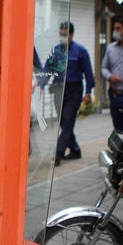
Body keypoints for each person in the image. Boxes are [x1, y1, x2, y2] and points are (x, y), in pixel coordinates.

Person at [40, 21, 94, 166]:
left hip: (74, 90)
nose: (62, 36)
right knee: (64, 123)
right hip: (58, 90)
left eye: (65, 34)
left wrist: (88, 92)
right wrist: (40, 85)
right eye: (61, 33)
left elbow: (88, 73)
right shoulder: (56, 50)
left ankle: (58, 153)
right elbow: (47, 69)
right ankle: (75, 150)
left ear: (71, 35)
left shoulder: (80, 51)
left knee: (68, 120)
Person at [101, 18, 123, 134]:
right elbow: (103, 68)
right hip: (114, 94)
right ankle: (119, 152)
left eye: (118, 28)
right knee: (118, 129)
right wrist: (110, 76)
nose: (114, 31)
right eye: (114, 28)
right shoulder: (110, 48)